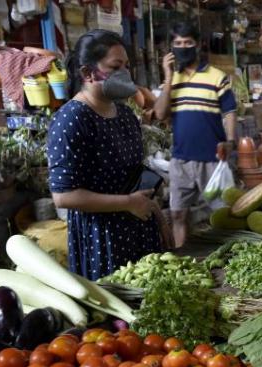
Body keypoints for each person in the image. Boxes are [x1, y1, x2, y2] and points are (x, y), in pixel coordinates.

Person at [47, 29, 163, 281]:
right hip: (102, 238)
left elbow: (133, 171)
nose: (125, 74)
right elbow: (63, 196)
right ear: (88, 73)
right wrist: (128, 203)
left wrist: (157, 213)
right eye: (115, 66)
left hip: (139, 228)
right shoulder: (71, 120)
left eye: (126, 66)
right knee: (116, 303)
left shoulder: (125, 115)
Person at [154, 22, 236, 248]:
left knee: (222, 215)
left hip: (213, 159)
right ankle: (183, 256)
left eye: (188, 42)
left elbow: (230, 112)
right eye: (178, 43)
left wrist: (230, 141)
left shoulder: (217, 77)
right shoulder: (172, 81)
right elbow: (160, 114)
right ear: (172, 48)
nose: (183, 47)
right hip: (181, 160)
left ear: (198, 45)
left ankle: (229, 257)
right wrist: (168, 77)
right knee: (178, 214)